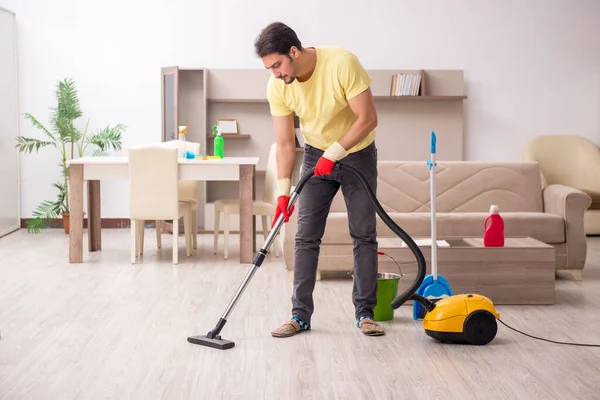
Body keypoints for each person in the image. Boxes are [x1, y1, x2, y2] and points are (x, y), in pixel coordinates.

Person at [254, 22, 384, 337]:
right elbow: (285, 144)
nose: (275, 74)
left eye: (277, 65)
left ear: (294, 52)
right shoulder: (278, 86)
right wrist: (283, 193)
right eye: (269, 68)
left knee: (363, 235)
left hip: (357, 153)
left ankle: (365, 314)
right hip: (316, 156)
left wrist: (335, 152)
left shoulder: (342, 63)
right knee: (305, 237)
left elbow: (368, 119)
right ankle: (300, 317)